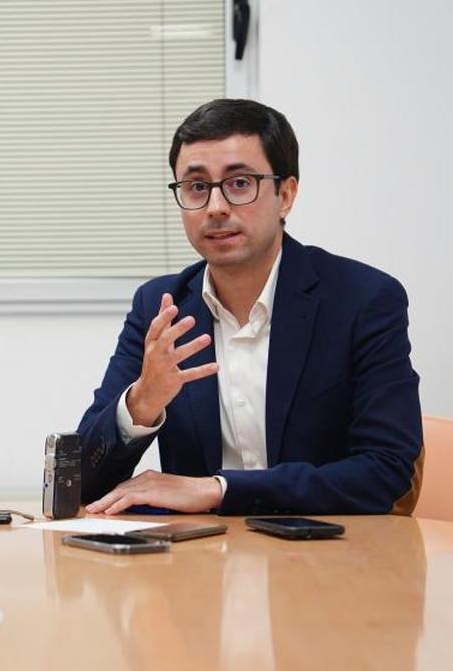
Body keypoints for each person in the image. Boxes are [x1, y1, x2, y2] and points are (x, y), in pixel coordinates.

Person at [78, 99, 422, 516]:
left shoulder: (362, 300)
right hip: (203, 563)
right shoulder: (160, 307)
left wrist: (221, 489)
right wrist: (140, 405)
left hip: (327, 558)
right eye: (197, 187)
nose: (216, 207)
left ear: (286, 194)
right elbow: (82, 479)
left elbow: (385, 471)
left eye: (240, 183)